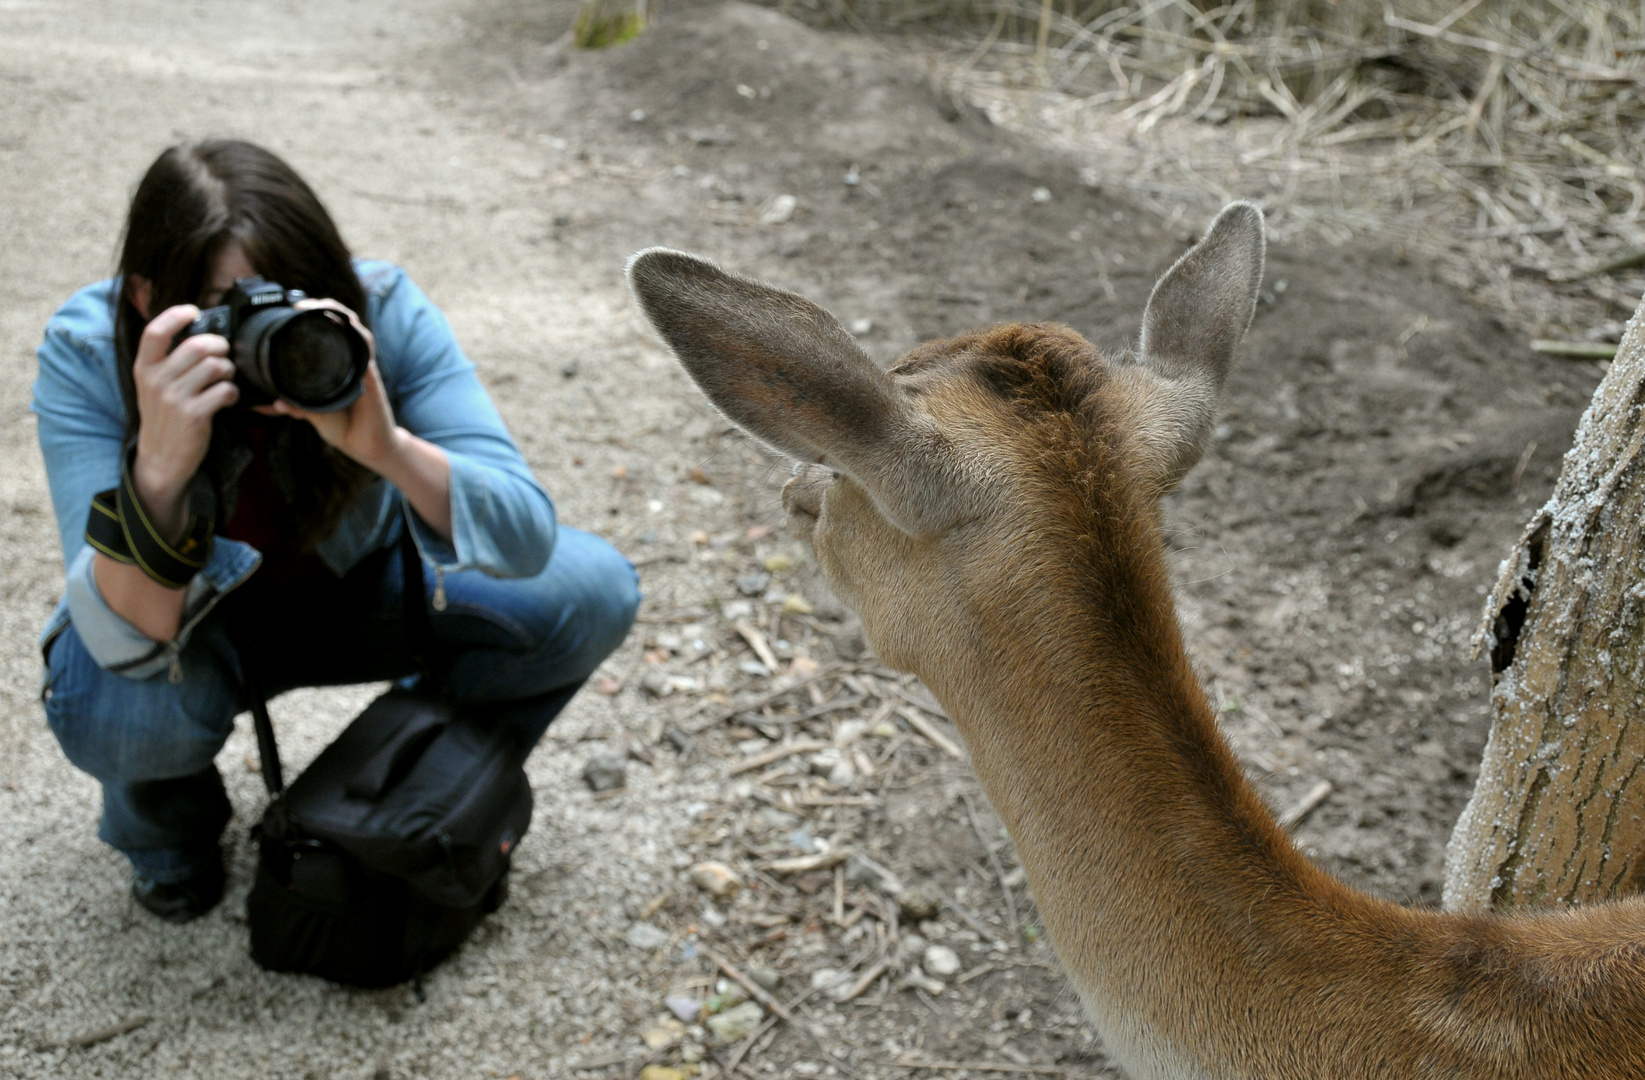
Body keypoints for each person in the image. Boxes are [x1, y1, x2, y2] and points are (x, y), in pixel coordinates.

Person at [33, 139, 639, 923]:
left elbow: (526, 540)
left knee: (588, 594)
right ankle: (168, 841)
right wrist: (158, 470)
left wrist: (388, 448)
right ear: (148, 298)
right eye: (230, 308)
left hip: (360, 589)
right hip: (199, 627)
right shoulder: (90, 350)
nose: (272, 332)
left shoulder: (375, 309)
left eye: (295, 295)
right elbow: (127, 644)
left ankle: (396, 775)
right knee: (119, 709)